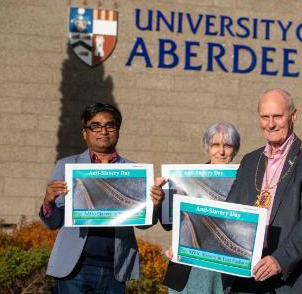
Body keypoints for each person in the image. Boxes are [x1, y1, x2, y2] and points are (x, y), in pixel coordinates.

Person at [39, 103, 165, 293]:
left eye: (109, 125)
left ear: (118, 131)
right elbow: (53, 222)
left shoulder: (134, 172)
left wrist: (154, 205)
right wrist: (48, 201)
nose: (103, 131)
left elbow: (143, 224)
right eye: (95, 126)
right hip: (74, 269)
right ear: (85, 133)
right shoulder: (67, 166)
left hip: (115, 268)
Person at [225, 88, 302, 293]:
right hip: (249, 275)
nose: (271, 124)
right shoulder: (250, 161)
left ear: (293, 116)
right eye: (265, 117)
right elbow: (229, 212)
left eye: (277, 116)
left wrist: (279, 259)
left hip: (292, 276)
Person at [162, 122, 241, 293]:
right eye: (215, 145)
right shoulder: (187, 179)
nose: (221, 151)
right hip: (185, 267)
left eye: (227, 145)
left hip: (222, 270)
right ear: (207, 147)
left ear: (235, 150)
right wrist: (159, 199)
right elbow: (169, 223)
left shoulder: (245, 183)